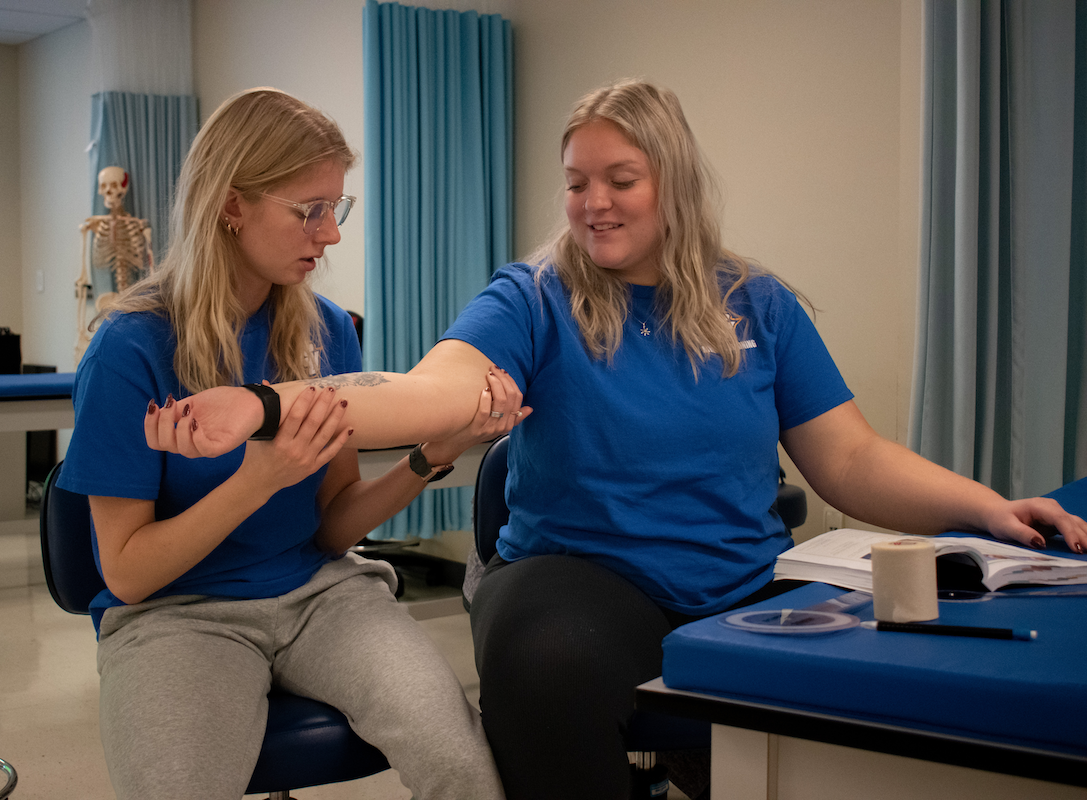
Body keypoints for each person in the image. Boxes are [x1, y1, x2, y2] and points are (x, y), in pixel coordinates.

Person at [146, 80, 1087, 800]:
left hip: (741, 580)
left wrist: (988, 506)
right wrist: (272, 405)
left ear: (670, 182)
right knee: (546, 665)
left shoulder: (755, 304)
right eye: (576, 184)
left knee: (860, 698)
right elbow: (433, 391)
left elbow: (850, 459)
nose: (594, 202)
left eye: (620, 180)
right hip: (580, 576)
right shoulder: (534, 297)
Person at [56, 87, 520, 800]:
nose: (330, 235)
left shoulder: (321, 329)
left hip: (321, 596)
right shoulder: (131, 349)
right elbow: (126, 574)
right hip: (176, 617)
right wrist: (260, 479)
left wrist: (431, 453)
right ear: (232, 205)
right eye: (310, 211)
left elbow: (332, 527)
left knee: (459, 762)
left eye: (337, 208)